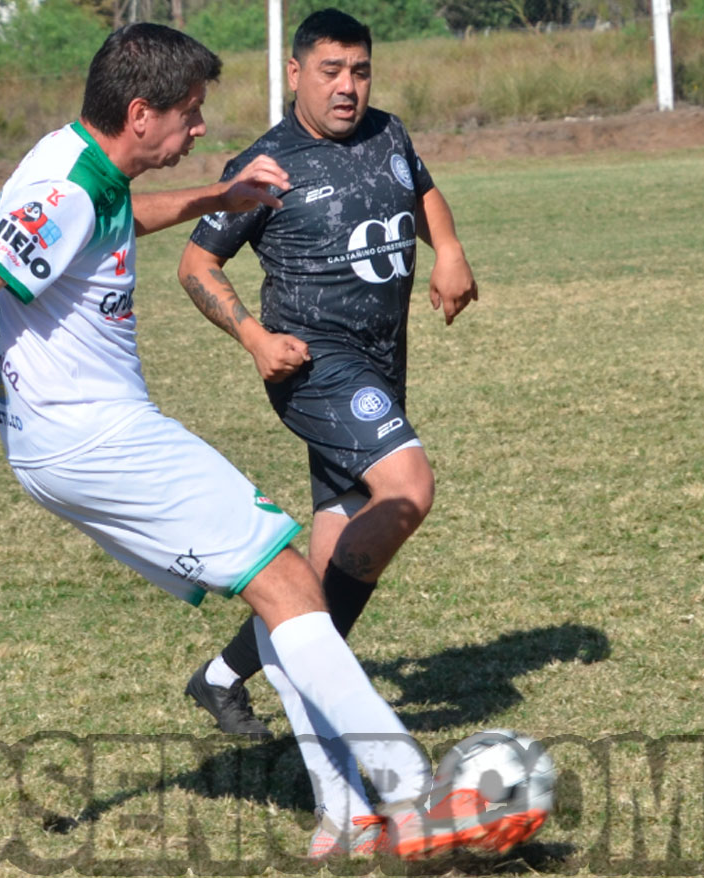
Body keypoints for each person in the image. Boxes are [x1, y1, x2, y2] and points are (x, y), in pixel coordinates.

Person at [0, 23, 524, 861]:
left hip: (60, 444)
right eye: (189, 113)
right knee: (290, 584)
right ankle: (413, 796)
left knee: (282, 590)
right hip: (96, 437)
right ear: (139, 114)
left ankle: (346, 816)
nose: (199, 128)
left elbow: (114, 220)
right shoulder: (67, 191)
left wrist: (213, 198)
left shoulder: (78, 163)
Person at [178, 8, 478, 740]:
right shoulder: (266, 166)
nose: (347, 87)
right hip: (314, 366)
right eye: (330, 71)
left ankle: (222, 678)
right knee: (408, 489)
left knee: (326, 572)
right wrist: (253, 337)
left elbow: (420, 188)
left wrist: (448, 249)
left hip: (381, 364)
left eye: (359, 71)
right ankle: (320, 693)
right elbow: (196, 264)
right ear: (295, 73)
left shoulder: (388, 133)